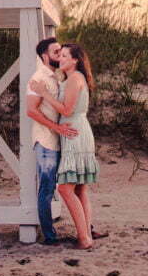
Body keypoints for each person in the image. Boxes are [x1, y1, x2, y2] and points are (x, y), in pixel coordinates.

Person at [29, 43, 100, 250]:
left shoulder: (74, 79)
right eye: (59, 55)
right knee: (79, 189)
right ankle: (86, 234)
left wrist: (45, 93)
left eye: (65, 56)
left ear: (75, 60)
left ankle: (84, 239)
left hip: (74, 132)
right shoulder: (72, 78)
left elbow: (67, 110)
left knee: (65, 188)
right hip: (79, 131)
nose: (61, 58)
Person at [26, 38, 79, 245]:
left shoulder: (58, 76)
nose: (60, 54)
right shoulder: (38, 78)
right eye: (56, 52)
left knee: (66, 185)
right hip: (46, 140)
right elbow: (31, 111)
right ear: (45, 56)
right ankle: (49, 236)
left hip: (60, 140)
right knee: (47, 188)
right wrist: (57, 128)